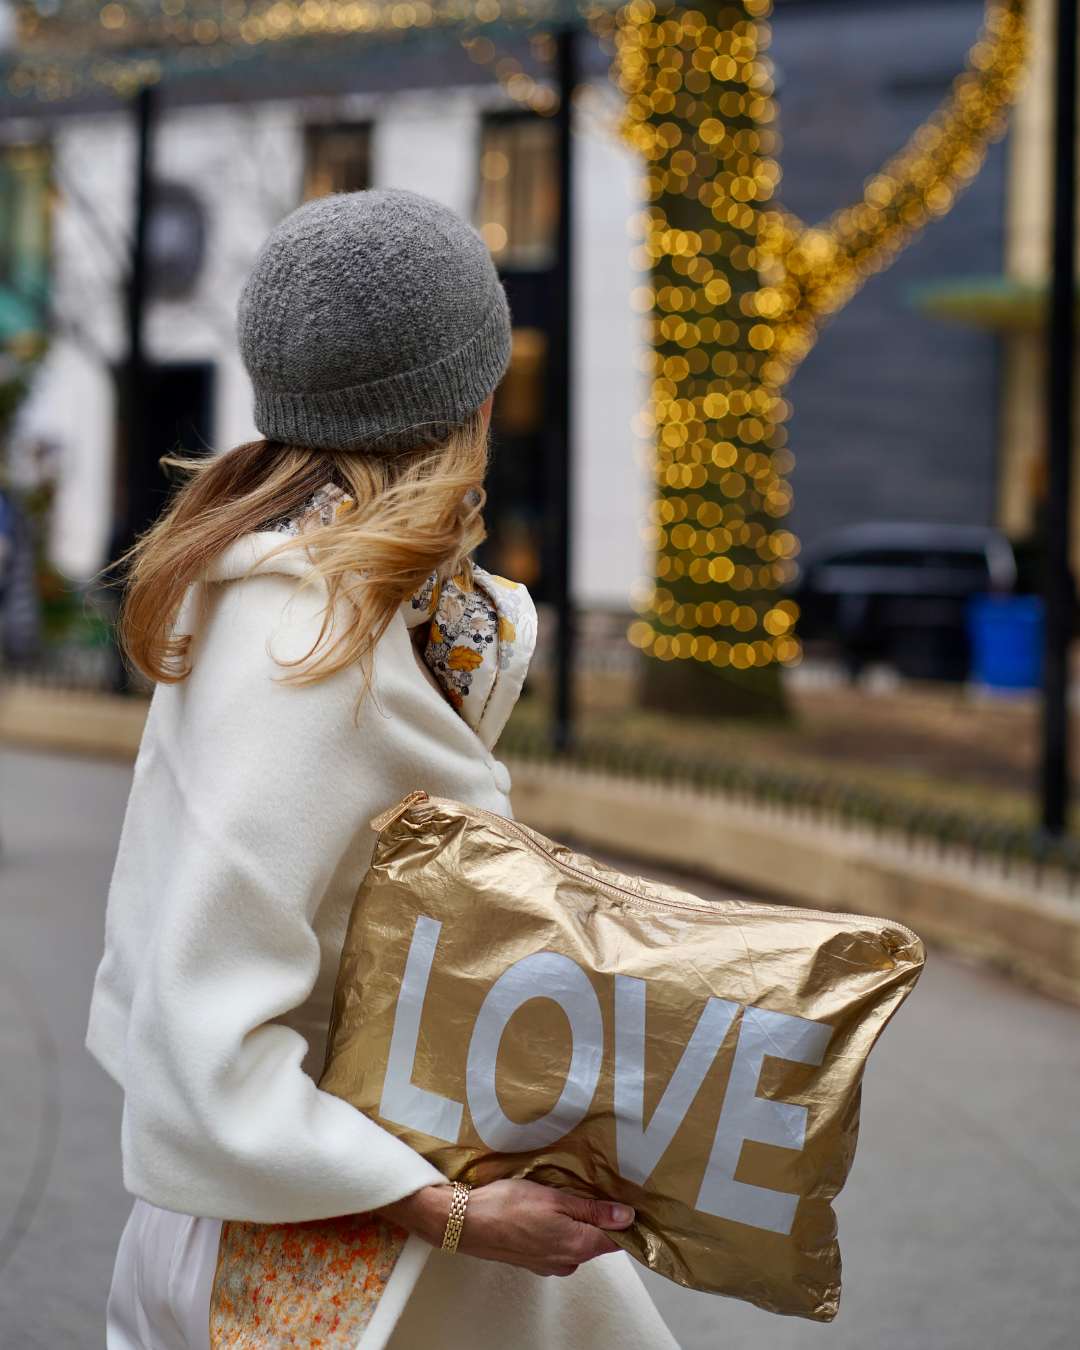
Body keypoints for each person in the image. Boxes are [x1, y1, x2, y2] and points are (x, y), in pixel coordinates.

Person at [86, 189, 678, 1350]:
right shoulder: (307, 648)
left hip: (297, 1216)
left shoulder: (290, 600)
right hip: (321, 1247)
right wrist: (457, 1212)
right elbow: (204, 1038)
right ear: (474, 393)